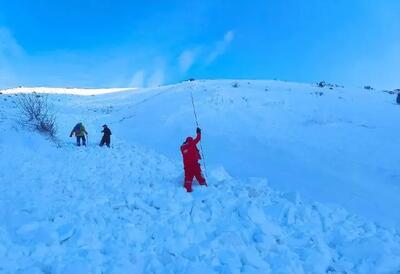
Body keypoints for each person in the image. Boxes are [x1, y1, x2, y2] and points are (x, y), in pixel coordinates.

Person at [180, 127, 206, 192]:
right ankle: (206, 189)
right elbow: (198, 138)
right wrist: (198, 132)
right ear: (191, 140)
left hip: (187, 167)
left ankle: (186, 192)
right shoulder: (192, 143)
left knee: (188, 179)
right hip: (195, 165)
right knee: (199, 177)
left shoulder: (182, 148)